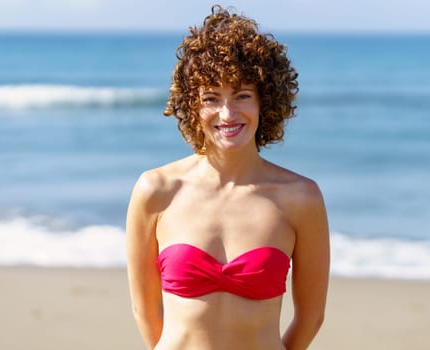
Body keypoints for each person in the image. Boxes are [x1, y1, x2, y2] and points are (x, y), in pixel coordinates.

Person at [126, 5, 329, 350]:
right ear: (193, 106)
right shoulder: (156, 190)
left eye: (242, 96)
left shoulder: (301, 197)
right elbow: (144, 311)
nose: (227, 113)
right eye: (211, 98)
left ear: (266, 101)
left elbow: (311, 318)